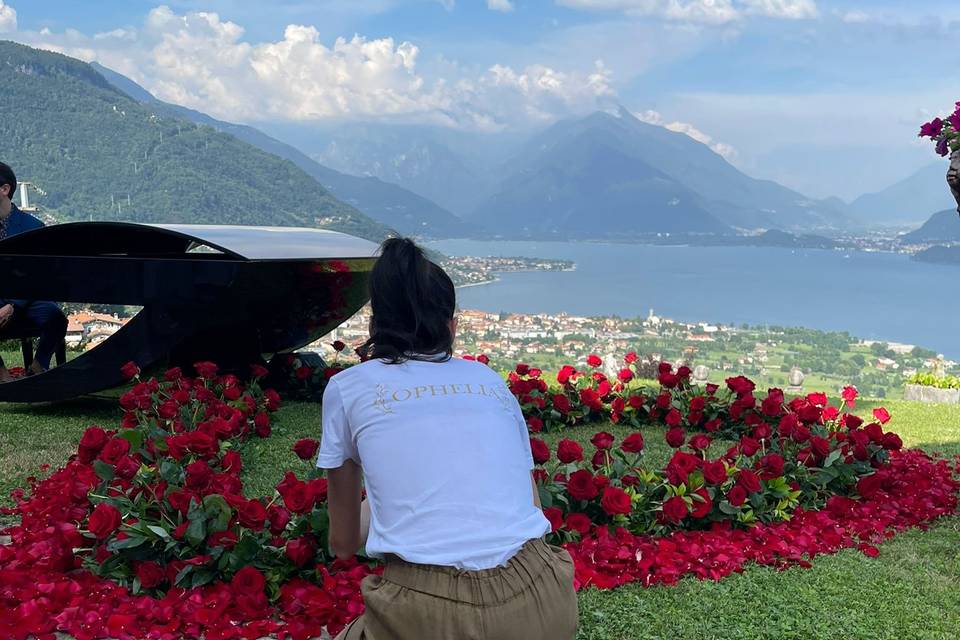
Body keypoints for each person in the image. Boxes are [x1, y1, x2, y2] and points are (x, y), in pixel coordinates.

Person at [317, 237, 578, 640]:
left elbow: (344, 543)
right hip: (545, 595)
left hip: (426, 610)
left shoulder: (349, 388)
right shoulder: (489, 381)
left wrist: (385, 505)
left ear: (375, 323)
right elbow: (527, 504)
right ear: (451, 326)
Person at [0, 162, 68, 383]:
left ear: (5, 189)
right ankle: (1, 373)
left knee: (56, 317)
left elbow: (39, 275)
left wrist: (12, 305)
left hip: (25, 299)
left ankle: (39, 366)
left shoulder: (32, 227)